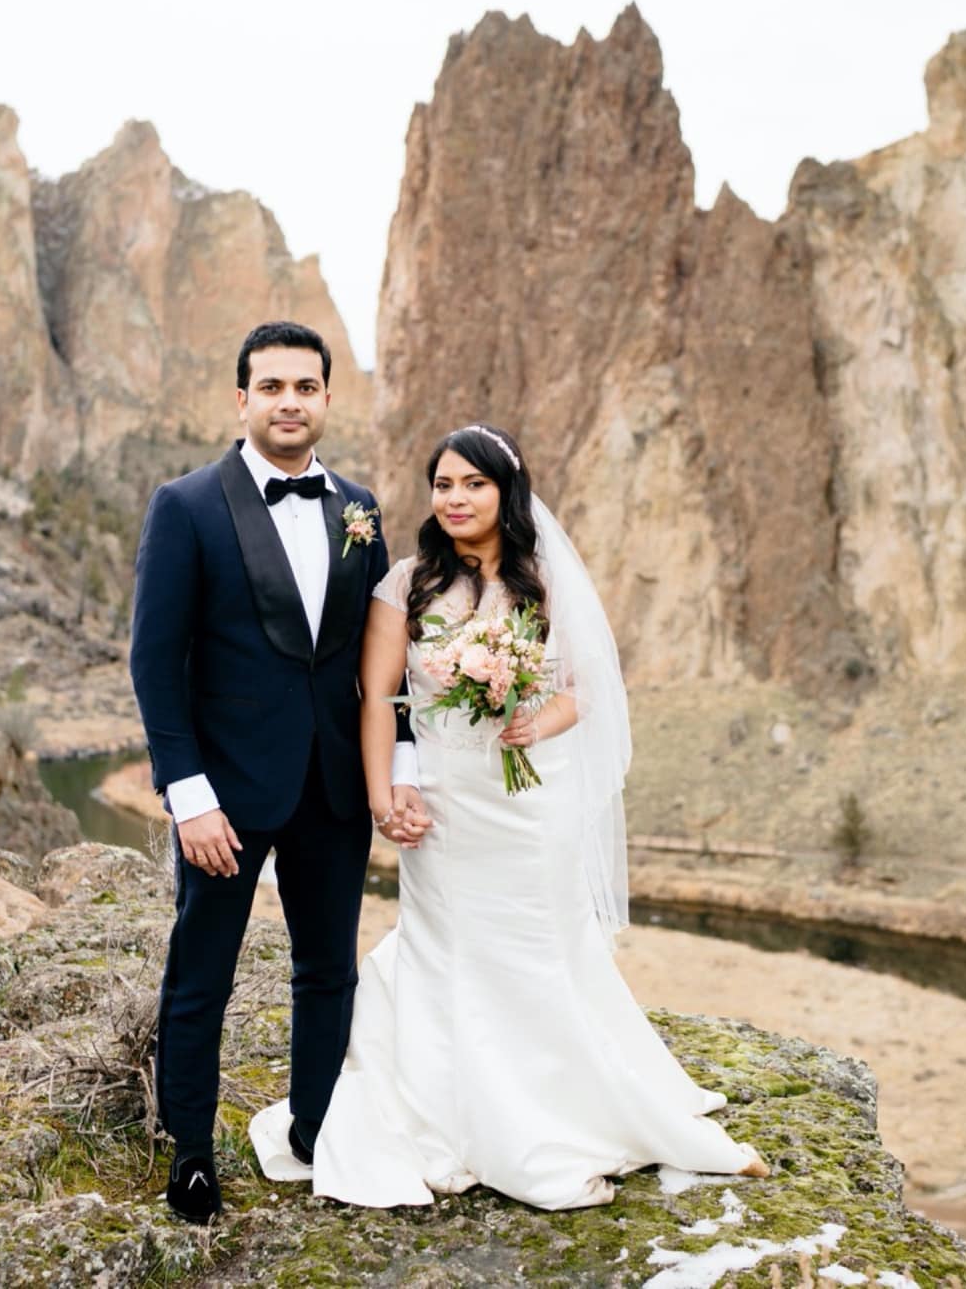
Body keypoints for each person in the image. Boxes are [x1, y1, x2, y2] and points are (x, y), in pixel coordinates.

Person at [250, 422, 767, 1209]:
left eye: (473, 484)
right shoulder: (406, 585)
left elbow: (584, 690)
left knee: (540, 948)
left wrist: (535, 723)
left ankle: (570, 1105)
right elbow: (380, 698)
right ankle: (471, 1114)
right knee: (454, 947)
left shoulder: (543, 580)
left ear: (505, 492)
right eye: (444, 485)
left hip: (532, 806)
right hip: (449, 808)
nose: (455, 499)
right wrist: (388, 792)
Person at [129, 321, 429, 1225]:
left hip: (334, 788)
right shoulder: (185, 508)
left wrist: (396, 770)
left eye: (306, 387)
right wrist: (189, 800)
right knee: (201, 976)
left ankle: (314, 1127)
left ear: (328, 398)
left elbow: (386, 661)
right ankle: (190, 1153)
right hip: (224, 797)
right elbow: (155, 663)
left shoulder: (359, 509)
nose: (290, 402)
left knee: (327, 968)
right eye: (272, 387)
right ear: (243, 400)